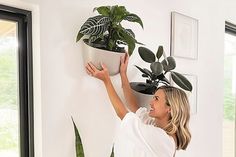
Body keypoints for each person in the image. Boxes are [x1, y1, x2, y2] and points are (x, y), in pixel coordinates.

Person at [85, 53, 191, 157]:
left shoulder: (162, 140)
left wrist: (106, 80)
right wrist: (123, 73)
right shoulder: (154, 124)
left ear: (169, 108)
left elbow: (123, 114)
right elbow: (133, 105)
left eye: (156, 99)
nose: (151, 102)